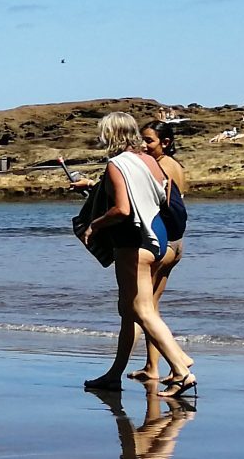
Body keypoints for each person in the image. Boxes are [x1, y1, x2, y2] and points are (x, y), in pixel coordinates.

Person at [75, 110, 196, 394]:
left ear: (111, 135)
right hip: (158, 239)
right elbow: (161, 197)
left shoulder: (116, 164)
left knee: (140, 310)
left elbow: (123, 210)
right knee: (137, 309)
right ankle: (121, 373)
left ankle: (180, 366)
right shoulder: (151, 162)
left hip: (132, 241)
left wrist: (94, 225)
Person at [129, 118, 190, 381]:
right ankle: (152, 367)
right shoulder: (177, 166)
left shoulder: (162, 167)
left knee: (139, 308)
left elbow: (156, 206)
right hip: (176, 244)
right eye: (141, 139)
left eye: (149, 140)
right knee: (151, 307)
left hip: (162, 243)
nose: (143, 145)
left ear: (165, 143)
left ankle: (178, 362)